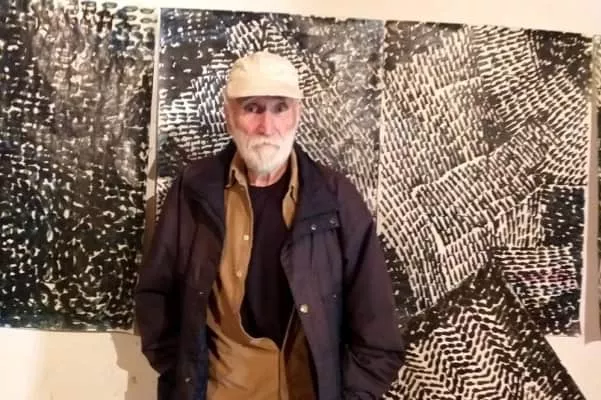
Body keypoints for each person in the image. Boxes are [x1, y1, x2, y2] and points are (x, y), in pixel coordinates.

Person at [134, 50, 405, 400]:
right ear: (228, 115)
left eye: (280, 108)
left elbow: (378, 332)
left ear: (297, 114)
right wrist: (181, 372)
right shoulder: (193, 190)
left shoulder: (336, 198)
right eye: (252, 108)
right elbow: (155, 294)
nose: (267, 127)